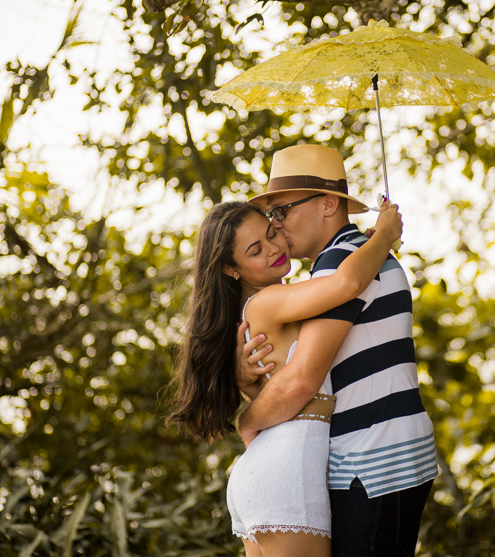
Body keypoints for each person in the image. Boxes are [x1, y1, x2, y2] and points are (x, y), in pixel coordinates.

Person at [167, 187, 404, 557]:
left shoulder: (268, 306)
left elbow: (280, 398)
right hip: (288, 476)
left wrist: (367, 241)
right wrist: (386, 235)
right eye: (255, 250)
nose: (273, 249)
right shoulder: (270, 302)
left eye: (272, 233)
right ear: (232, 269)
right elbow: (346, 283)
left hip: (270, 471)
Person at [237, 144, 439, 557]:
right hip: (388, 455)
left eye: (283, 211)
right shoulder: (358, 255)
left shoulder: (341, 260)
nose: (276, 226)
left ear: (328, 203)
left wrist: (247, 422)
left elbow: (302, 380)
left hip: (373, 460)